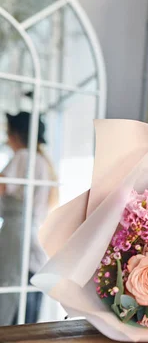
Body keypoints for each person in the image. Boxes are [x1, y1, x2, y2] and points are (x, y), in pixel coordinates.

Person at [0, 111, 58, 325]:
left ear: (15, 133)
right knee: (26, 299)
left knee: (11, 290)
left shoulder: (24, 156)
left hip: (17, 234)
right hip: (32, 235)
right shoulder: (43, 162)